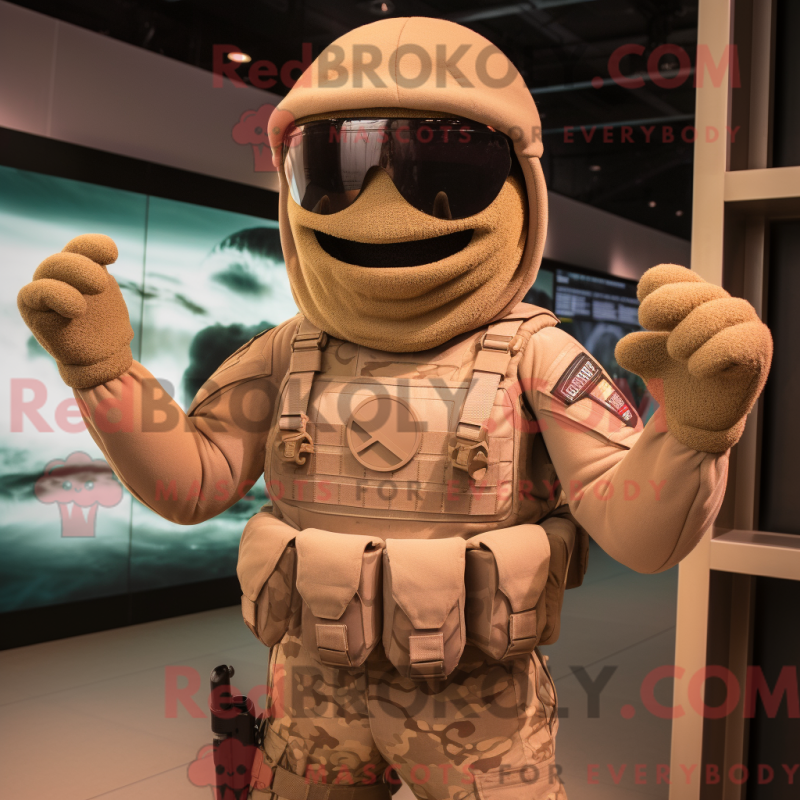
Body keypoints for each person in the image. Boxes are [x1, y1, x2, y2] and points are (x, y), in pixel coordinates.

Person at [17, 17, 771, 800]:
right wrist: (104, 376)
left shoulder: (536, 354)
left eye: (447, 166)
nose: (379, 206)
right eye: (332, 168)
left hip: (479, 712)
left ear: (521, 186)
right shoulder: (287, 351)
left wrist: (692, 433)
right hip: (313, 700)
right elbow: (193, 483)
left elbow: (636, 532)